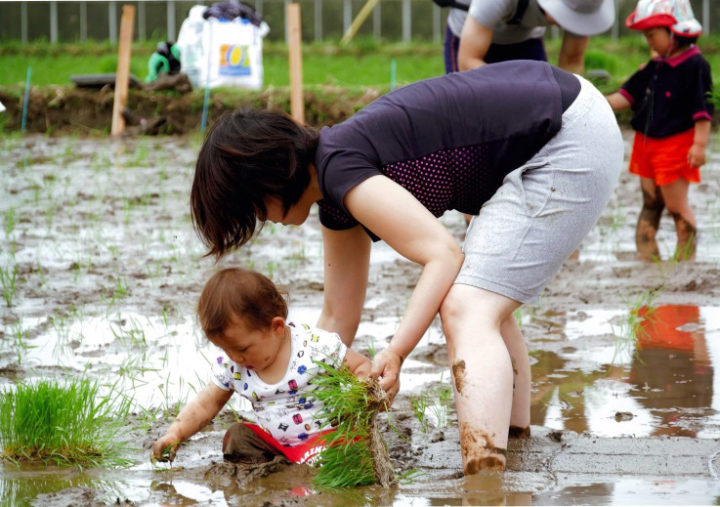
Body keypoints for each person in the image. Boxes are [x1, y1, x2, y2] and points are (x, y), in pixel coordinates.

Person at [190, 60, 623, 474]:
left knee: (467, 307)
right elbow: (338, 318)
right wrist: (293, 392)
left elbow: (443, 254)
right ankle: (515, 439)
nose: (262, 220)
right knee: (483, 294)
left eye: (252, 209)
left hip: (567, 133)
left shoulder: (339, 165)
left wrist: (396, 352)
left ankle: (485, 478)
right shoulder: (336, 190)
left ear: (268, 178)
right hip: (561, 114)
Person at [151, 267, 371, 465]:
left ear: (276, 327)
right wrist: (175, 433)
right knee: (238, 437)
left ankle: (314, 465)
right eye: (226, 350)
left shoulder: (315, 347)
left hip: (326, 439)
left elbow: (362, 367)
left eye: (243, 349)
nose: (235, 357)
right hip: (276, 446)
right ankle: (275, 469)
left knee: (348, 448)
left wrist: (357, 397)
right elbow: (205, 405)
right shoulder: (235, 366)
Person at [606, 0, 713, 261]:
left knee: (676, 205)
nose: (648, 42)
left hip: (675, 144)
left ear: (675, 33)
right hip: (647, 143)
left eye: (652, 35)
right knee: (650, 202)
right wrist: (594, 103)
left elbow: (703, 110)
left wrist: (699, 145)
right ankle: (646, 257)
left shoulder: (696, 66)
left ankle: (685, 262)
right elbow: (626, 96)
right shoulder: (655, 66)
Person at [444, 0, 615, 75]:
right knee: (472, 114)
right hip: (469, 39)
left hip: (525, 37)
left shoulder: (585, 5)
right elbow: (468, 62)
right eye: (570, 16)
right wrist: (517, 88)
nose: (572, 24)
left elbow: (571, 62)